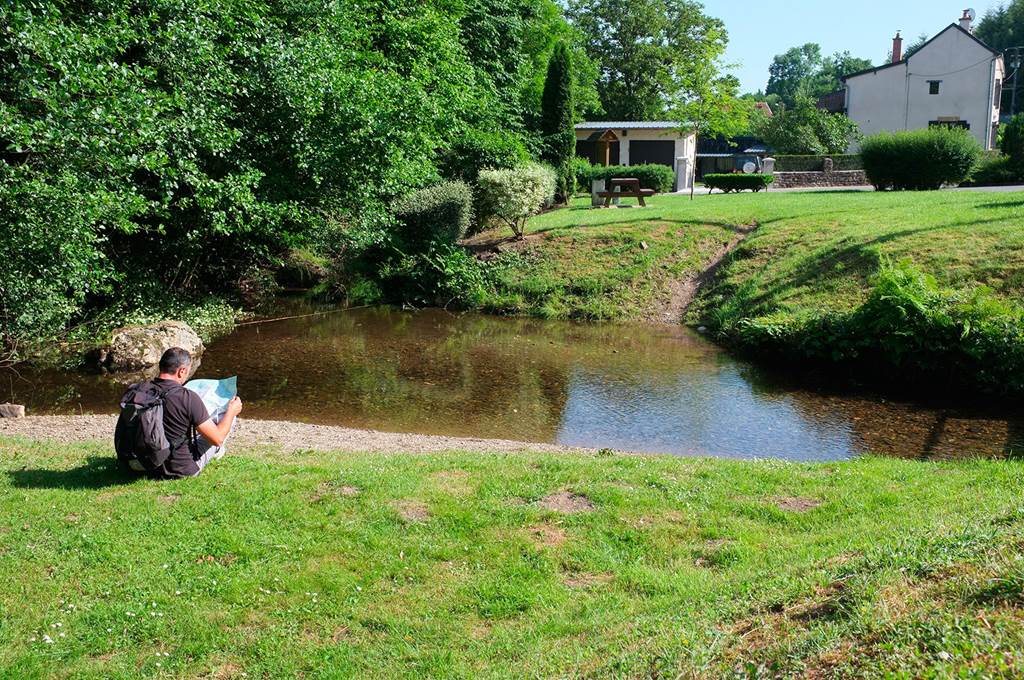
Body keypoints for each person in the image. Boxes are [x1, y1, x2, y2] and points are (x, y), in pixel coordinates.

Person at [150, 347, 243, 479]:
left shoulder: (137, 390)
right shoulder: (187, 396)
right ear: (182, 371)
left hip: (140, 463)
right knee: (225, 419)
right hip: (176, 470)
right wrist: (231, 412)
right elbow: (217, 439)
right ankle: (217, 452)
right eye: (188, 371)